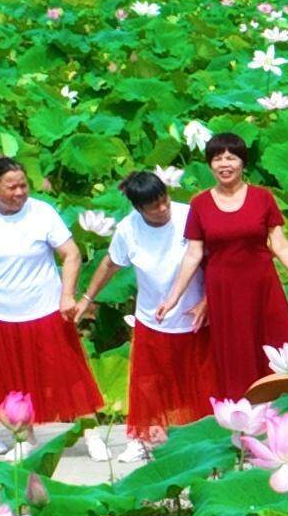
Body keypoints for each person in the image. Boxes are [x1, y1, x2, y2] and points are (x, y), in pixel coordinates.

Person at [0, 156, 101, 425]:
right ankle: (25, 435)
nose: (19, 193)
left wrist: (67, 295)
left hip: (45, 308)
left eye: (23, 185)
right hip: (2, 313)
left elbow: (71, 254)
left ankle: (90, 432)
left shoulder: (42, 212)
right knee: (13, 381)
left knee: (69, 374)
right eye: (11, 187)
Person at [87, 168, 212, 436]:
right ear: (138, 208)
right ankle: (146, 439)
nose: (163, 208)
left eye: (165, 199)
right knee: (150, 383)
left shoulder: (190, 216)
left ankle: (199, 440)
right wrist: (88, 297)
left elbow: (216, 261)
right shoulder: (127, 229)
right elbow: (111, 264)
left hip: (194, 315)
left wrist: (207, 300)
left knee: (199, 383)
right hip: (151, 316)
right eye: (154, 206)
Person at [184, 132, 288, 404]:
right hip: (224, 291)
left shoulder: (262, 198)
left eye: (231, 157)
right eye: (217, 158)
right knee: (235, 355)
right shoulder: (200, 203)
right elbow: (193, 253)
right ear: (209, 164)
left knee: (278, 348)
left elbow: (279, 244)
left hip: (262, 285)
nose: (225, 164)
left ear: (242, 163)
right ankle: (242, 421)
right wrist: (174, 297)